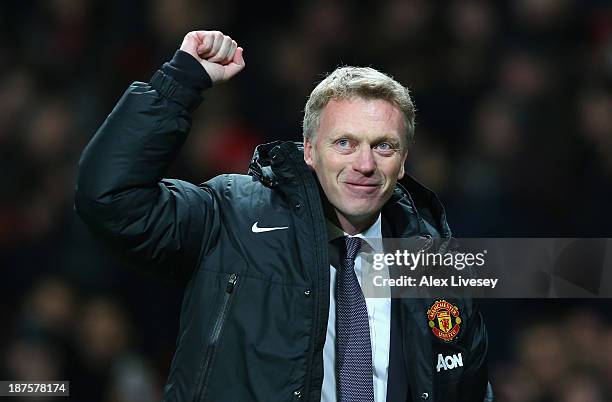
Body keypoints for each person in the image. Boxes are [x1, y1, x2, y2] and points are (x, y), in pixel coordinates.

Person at [75, 30, 493, 402]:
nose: (364, 164)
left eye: (383, 146)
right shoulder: (232, 214)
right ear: (309, 150)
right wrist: (180, 82)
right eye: (345, 143)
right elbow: (110, 199)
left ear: (403, 161)